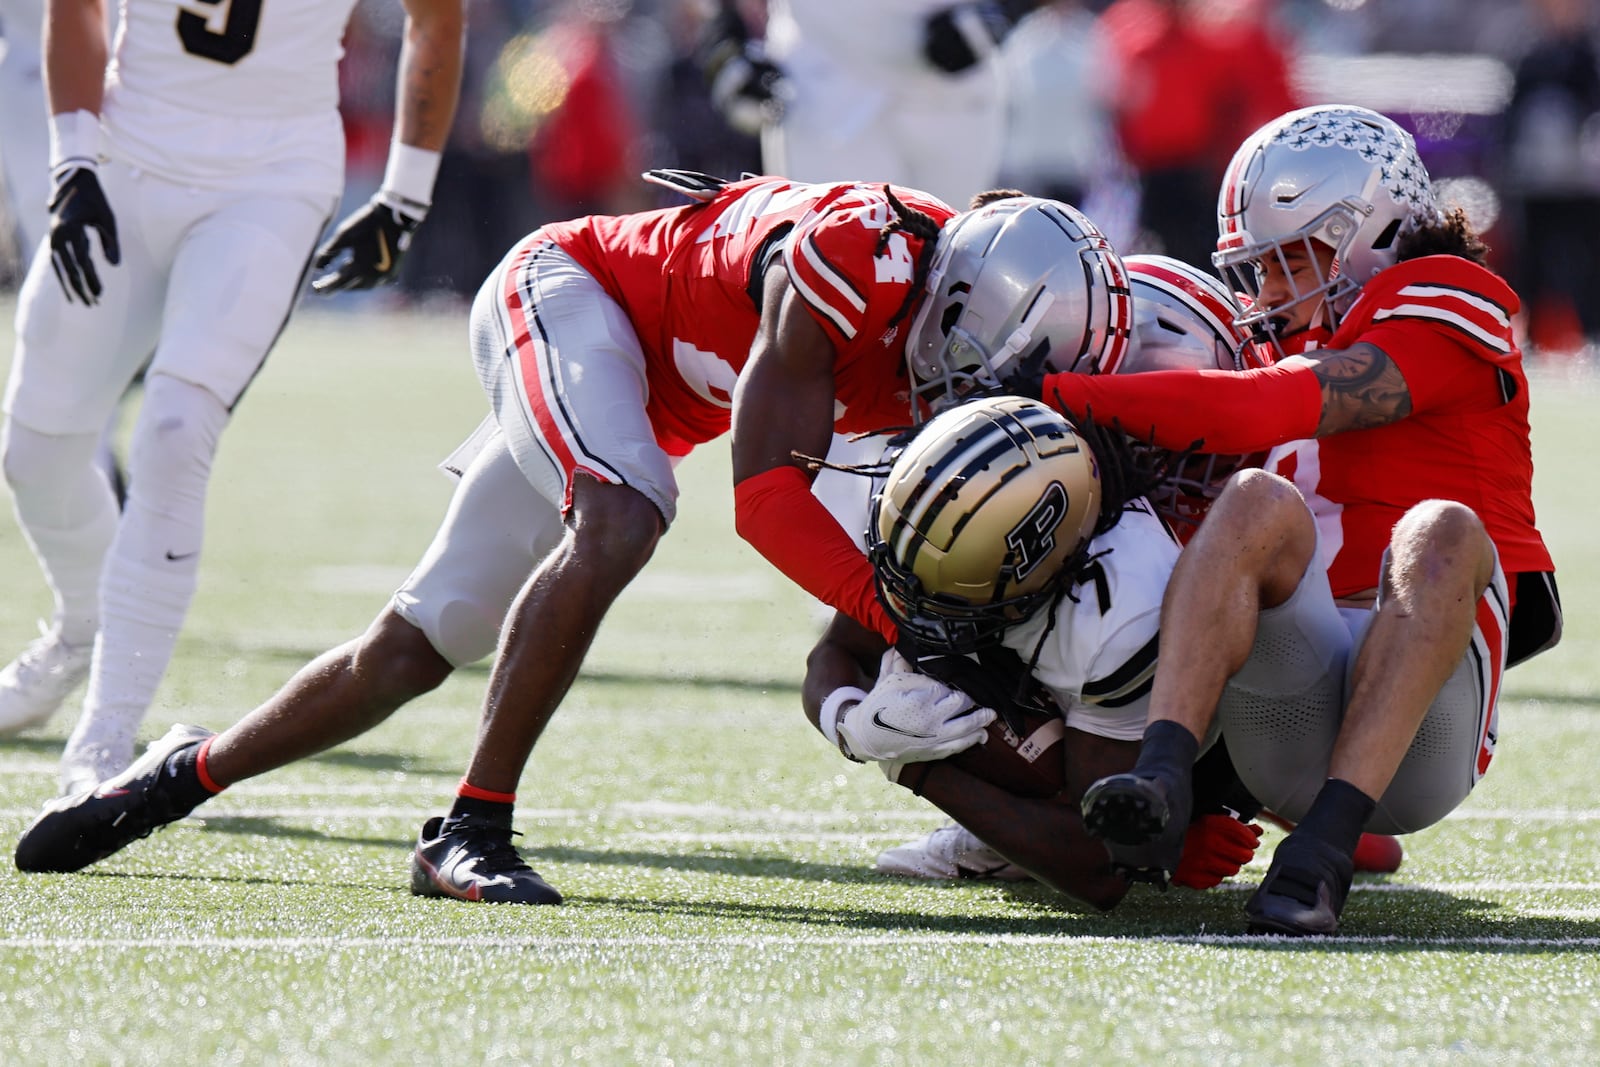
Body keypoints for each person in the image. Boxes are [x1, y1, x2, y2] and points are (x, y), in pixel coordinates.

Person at [16, 183, 1125, 905]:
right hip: (573, 293)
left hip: (653, 401)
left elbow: (881, 555)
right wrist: (914, 633)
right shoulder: (860, 255)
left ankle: (177, 775)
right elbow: (768, 501)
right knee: (623, 516)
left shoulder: (954, 325)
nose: (978, 399)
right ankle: (468, 830)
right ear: (966, 297)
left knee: (417, 642)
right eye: (982, 366)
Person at [1018, 104, 1560, 935]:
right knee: (1251, 504)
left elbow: (1268, 404)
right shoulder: (1287, 341)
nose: (1266, 293)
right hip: (1281, 709)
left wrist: (1058, 395)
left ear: (1366, 229)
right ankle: (1161, 778)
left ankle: (1324, 852)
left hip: (1428, 722)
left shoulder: (1451, 296)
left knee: (1443, 529)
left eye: (1285, 262)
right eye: (1258, 267)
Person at [0, 0, 466, 794]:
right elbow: (74, 6)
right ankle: (82, 629)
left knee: (177, 430)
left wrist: (403, 196)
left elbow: (437, 18)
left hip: (269, 181)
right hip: (126, 155)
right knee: (35, 451)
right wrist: (74, 159)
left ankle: (105, 740)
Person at [799, 393, 1268, 908]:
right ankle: (1011, 832)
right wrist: (849, 724)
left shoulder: (1121, 617)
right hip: (1069, 657)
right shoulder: (943, 509)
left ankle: (1007, 839)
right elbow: (837, 651)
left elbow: (1105, 863)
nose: (916, 603)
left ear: (1042, 568)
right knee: (919, 655)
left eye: (952, 589)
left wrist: (918, 768)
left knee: (942, 677)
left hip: (1226, 739)